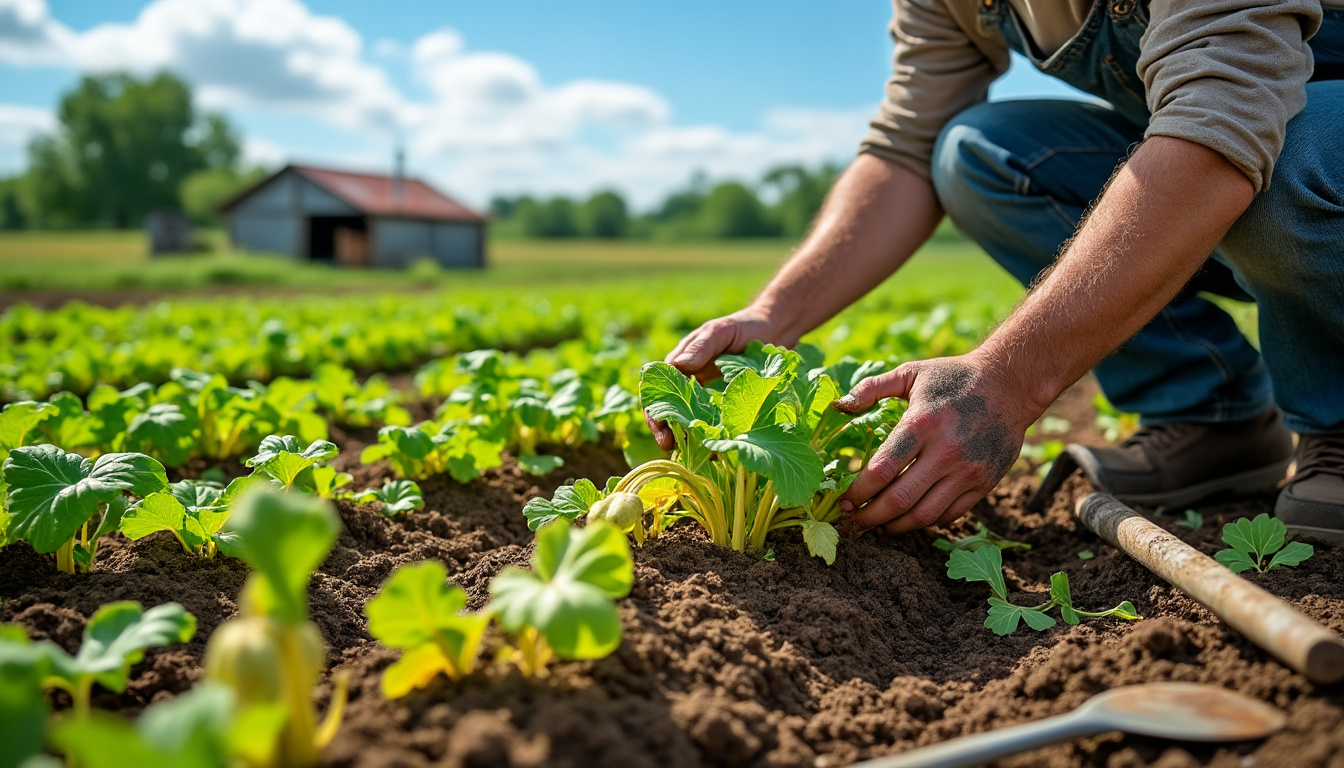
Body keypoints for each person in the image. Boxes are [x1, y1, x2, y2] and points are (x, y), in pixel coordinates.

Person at [648, 0, 1344, 541]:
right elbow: (909, 143)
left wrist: (1010, 378)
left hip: (1285, 159)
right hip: (1239, 169)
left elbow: (1223, 125)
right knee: (979, 153)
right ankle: (1213, 418)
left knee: (1289, 151)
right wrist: (773, 315)